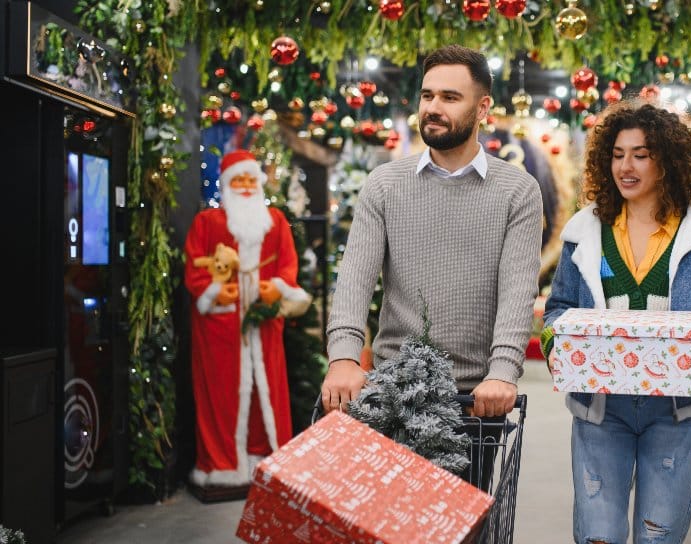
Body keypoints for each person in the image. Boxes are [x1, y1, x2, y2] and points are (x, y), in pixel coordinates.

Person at [540, 100, 691, 544]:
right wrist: (560, 345)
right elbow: (558, 311)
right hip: (601, 409)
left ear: (667, 159)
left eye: (641, 154)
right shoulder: (585, 230)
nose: (626, 166)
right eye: (618, 154)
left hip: (675, 414)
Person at [321, 45, 543, 424]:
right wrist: (343, 357)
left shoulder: (517, 190)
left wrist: (503, 372)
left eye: (450, 97)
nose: (432, 107)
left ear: (483, 108)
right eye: (427, 95)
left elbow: (517, 291)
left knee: (467, 487)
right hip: (394, 387)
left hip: (474, 396)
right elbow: (355, 278)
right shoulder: (385, 184)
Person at [184, 149, 312, 488]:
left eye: (249, 179)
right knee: (222, 396)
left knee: (265, 391)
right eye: (236, 180)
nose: (243, 186)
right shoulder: (207, 223)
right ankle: (222, 463)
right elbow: (195, 268)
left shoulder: (275, 223)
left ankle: (264, 457)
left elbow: (287, 265)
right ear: (226, 185)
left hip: (264, 326)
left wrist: (279, 288)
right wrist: (213, 292)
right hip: (221, 329)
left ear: (258, 183)